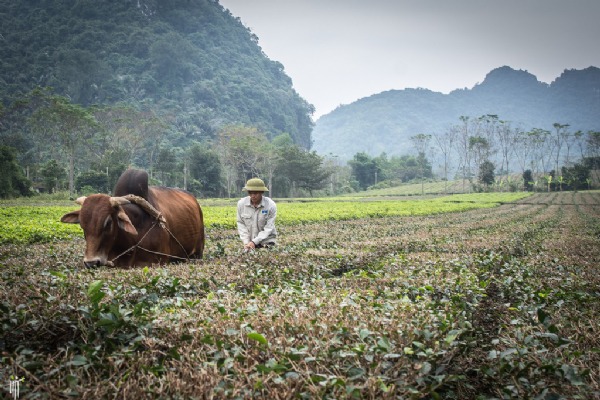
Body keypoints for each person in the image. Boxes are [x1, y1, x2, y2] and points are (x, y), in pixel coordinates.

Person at [236, 178, 277, 250]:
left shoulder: (270, 205)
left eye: (255, 193)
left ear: (262, 192)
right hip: (249, 242)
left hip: (267, 241)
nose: (252, 196)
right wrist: (246, 242)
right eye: (250, 193)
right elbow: (241, 223)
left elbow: (268, 228)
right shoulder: (241, 204)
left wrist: (254, 242)